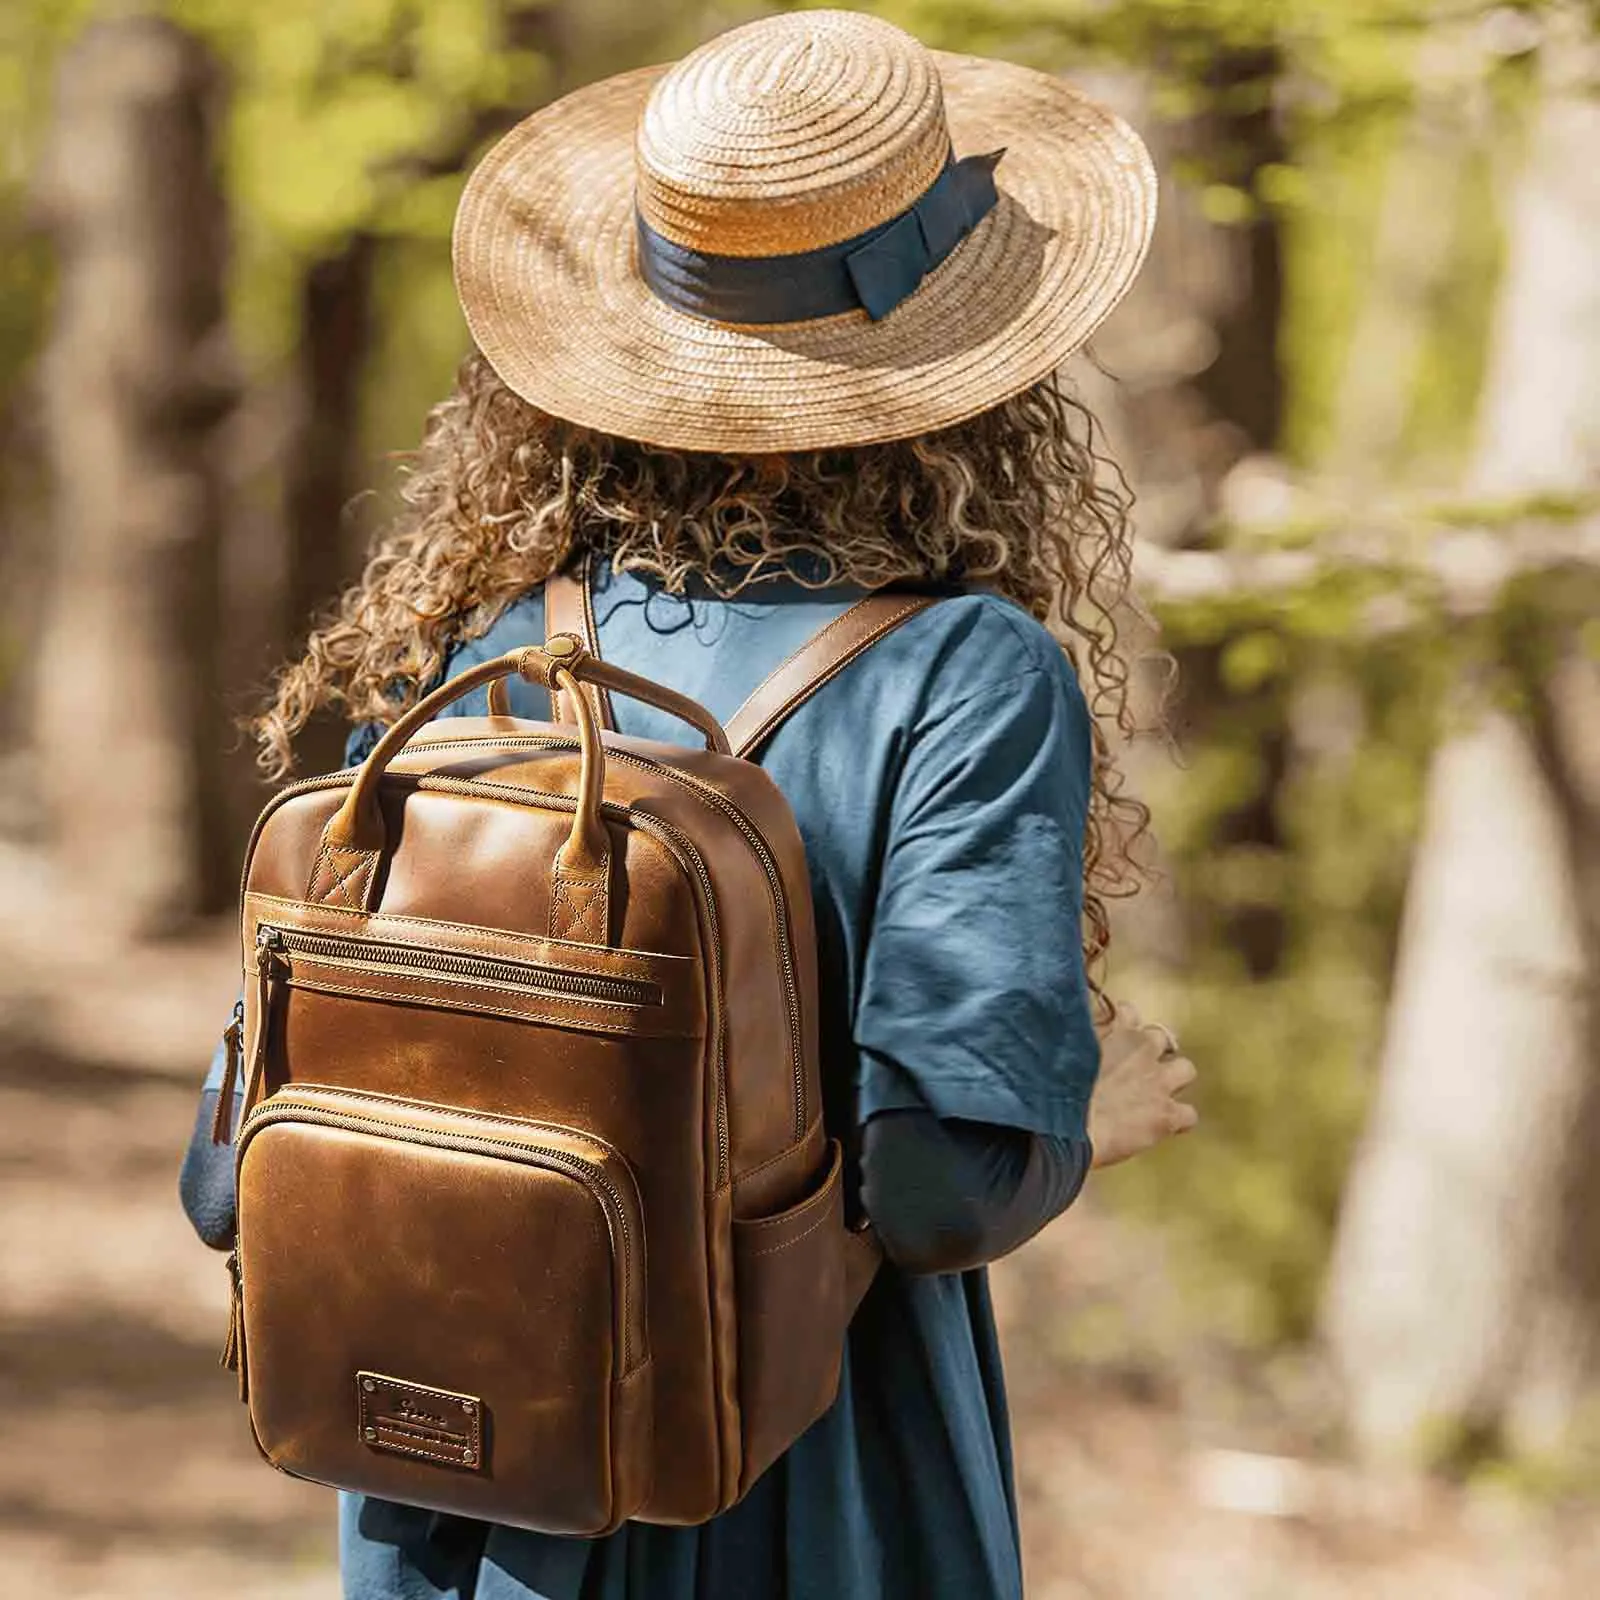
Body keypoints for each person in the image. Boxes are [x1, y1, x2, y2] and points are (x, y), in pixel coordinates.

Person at [181, 10, 1197, 1598]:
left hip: (445, 1486)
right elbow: (934, 1181)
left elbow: (225, 1175)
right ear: (967, 382)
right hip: (775, 1473)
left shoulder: (477, 641)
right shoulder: (962, 675)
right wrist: (1083, 1128)